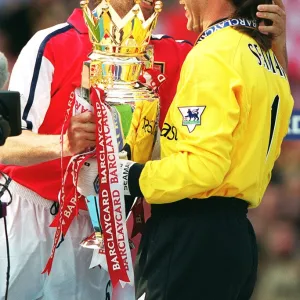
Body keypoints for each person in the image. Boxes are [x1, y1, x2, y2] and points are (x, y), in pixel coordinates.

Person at [0, 0, 288, 299]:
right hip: (30, 215)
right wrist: (64, 145)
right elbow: (4, 143)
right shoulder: (52, 43)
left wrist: (274, 46)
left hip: (108, 226)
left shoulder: (184, 53)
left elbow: (260, 97)